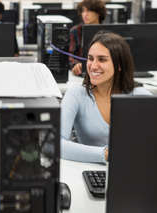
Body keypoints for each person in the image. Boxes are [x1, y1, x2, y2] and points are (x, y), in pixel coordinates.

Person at [61, 31, 151, 163]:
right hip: (88, 170)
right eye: (90, 58)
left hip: (131, 171)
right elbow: (53, 145)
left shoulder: (140, 96)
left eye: (102, 59)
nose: (93, 65)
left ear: (119, 65)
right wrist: (105, 154)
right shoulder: (76, 94)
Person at [69, 0, 107, 76]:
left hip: (102, 72)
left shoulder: (107, 32)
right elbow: (70, 55)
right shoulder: (76, 31)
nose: (85, 14)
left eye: (89, 11)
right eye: (83, 11)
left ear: (98, 13)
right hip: (81, 74)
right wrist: (76, 65)